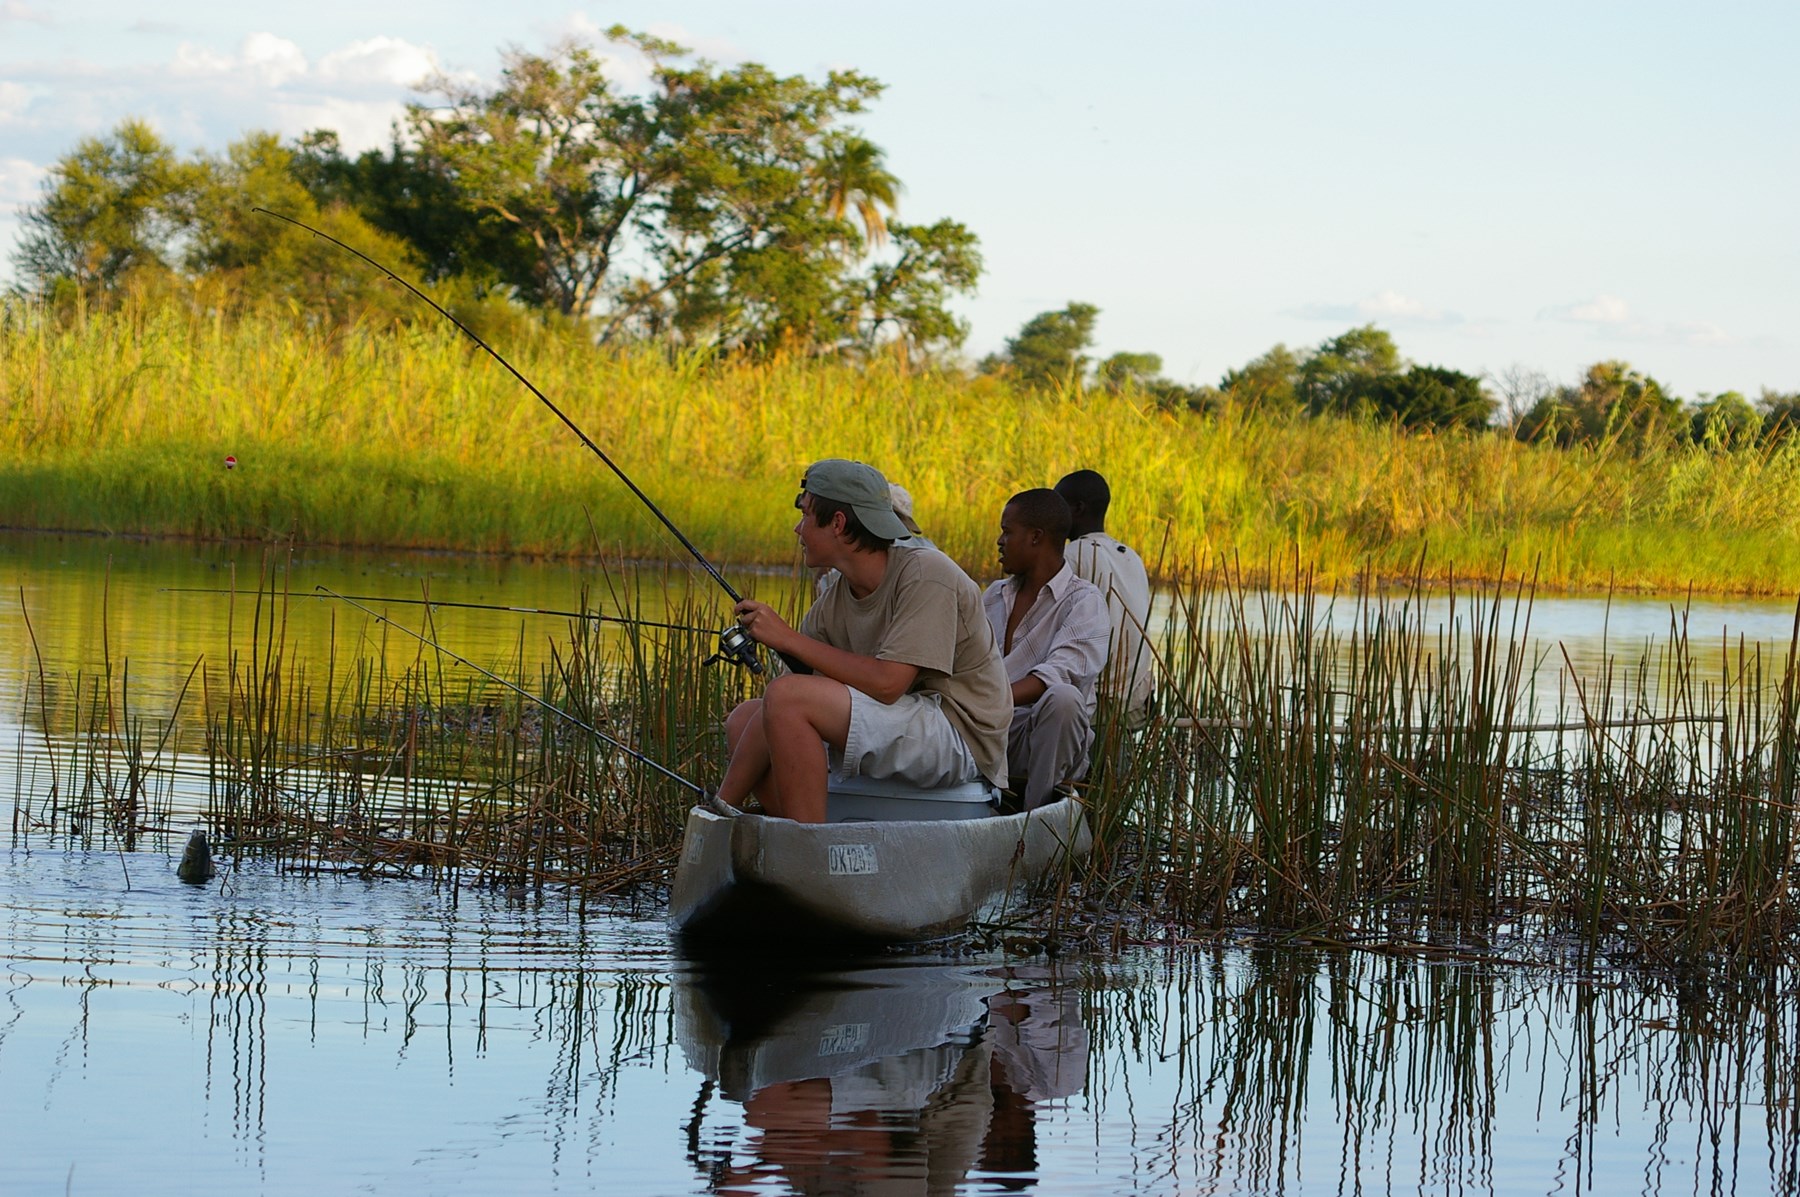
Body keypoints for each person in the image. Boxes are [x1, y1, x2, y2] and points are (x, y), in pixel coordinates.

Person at [718, 459, 1011, 823]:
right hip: (903, 719)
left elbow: (888, 684)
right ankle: (768, 823)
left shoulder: (928, 574)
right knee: (746, 718)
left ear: (838, 523)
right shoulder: (834, 601)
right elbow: (808, 684)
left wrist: (789, 638)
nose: (798, 529)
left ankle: (789, 841)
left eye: (806, 515)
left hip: (959, 735)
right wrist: (783, 645)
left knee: (785, 697)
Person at [981, 489, 1110, 810]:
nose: (999, 541)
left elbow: (1056, 675)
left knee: (1063, 699)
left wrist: (986, 703)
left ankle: (1034, 816)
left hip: (1036, 738)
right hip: (985, 730)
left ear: (1036, 537)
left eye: (1008, 532)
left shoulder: (1084, 601)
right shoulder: (994, 595)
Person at [1054, 469, 1154, 722]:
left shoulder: (1072, 556)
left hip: (1095, 702)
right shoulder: (1131, 556)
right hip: (1133, 699)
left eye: (1059, 506)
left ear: (1077, 509)